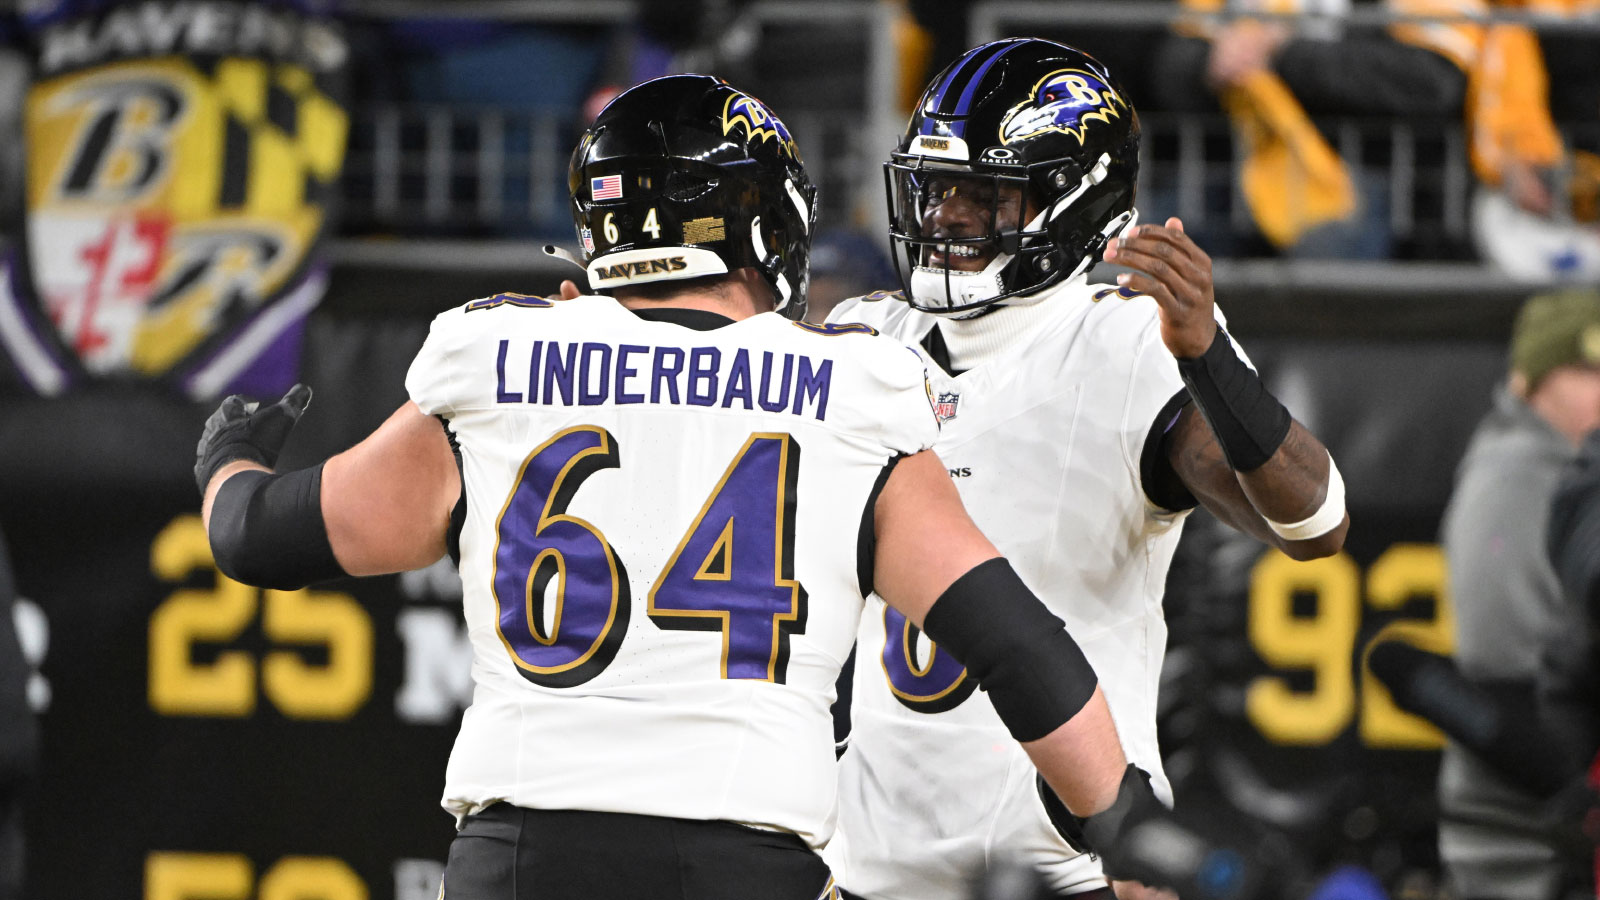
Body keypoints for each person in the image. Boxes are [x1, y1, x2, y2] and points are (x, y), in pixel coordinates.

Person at [194, 74, 1167, 899]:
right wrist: (1123, 825)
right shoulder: (851, 387)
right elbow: (1012, 644)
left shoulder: (498, 354)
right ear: (766, 224)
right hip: (740, 861)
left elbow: (256, 536)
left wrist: (227, 457)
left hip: (521, 856)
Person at [822, 39, 1349, 899]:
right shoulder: (866, 335)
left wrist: (1207, 356)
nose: (947, 215)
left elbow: (1314, 521)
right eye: (937, 188)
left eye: (986, 194)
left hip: (1066, 864)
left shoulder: (1124, 339)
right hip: (864, 866)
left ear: (1077, 201)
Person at [1439, 288, 1600, 900]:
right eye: (1585, 370)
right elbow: (1504, 671)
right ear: (1530, 381)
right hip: (1523, 840)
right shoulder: (1518, 475)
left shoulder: (1569, 472)